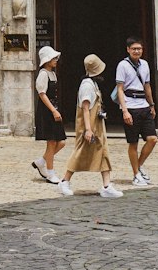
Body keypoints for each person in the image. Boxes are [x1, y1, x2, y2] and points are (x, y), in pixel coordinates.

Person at [58, 55, 122, 197]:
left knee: (103, 152)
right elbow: (85, 108)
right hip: (89, 127)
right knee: (79, 153)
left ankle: (106, 185)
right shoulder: (87, 86)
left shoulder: (92, 84)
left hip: (96, 126)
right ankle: (64, 181)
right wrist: (88, 129)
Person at [115, 36, 158, 187]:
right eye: (134, 49)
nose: (137, 51)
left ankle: (138, 167)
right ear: (128, 50)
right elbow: (120, 89)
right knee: (133, 143)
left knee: (152, 139)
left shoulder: (145, 64)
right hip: (130, 106)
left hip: (144, 105)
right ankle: (136, 175)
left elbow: (147, 86)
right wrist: (124, 110)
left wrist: (152, 104)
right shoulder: (122, 65)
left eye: (139, 48)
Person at [32, 45, 66, 184]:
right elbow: (42, 94)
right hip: (47, 111)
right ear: (47, 60)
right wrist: (53, 110)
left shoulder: (52, 73)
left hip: (54, 108)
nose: (56, 60)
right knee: (51, 142)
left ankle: (41, 161)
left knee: (61, 142)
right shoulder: (43, 74)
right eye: (53, 58)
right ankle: (51, 173)